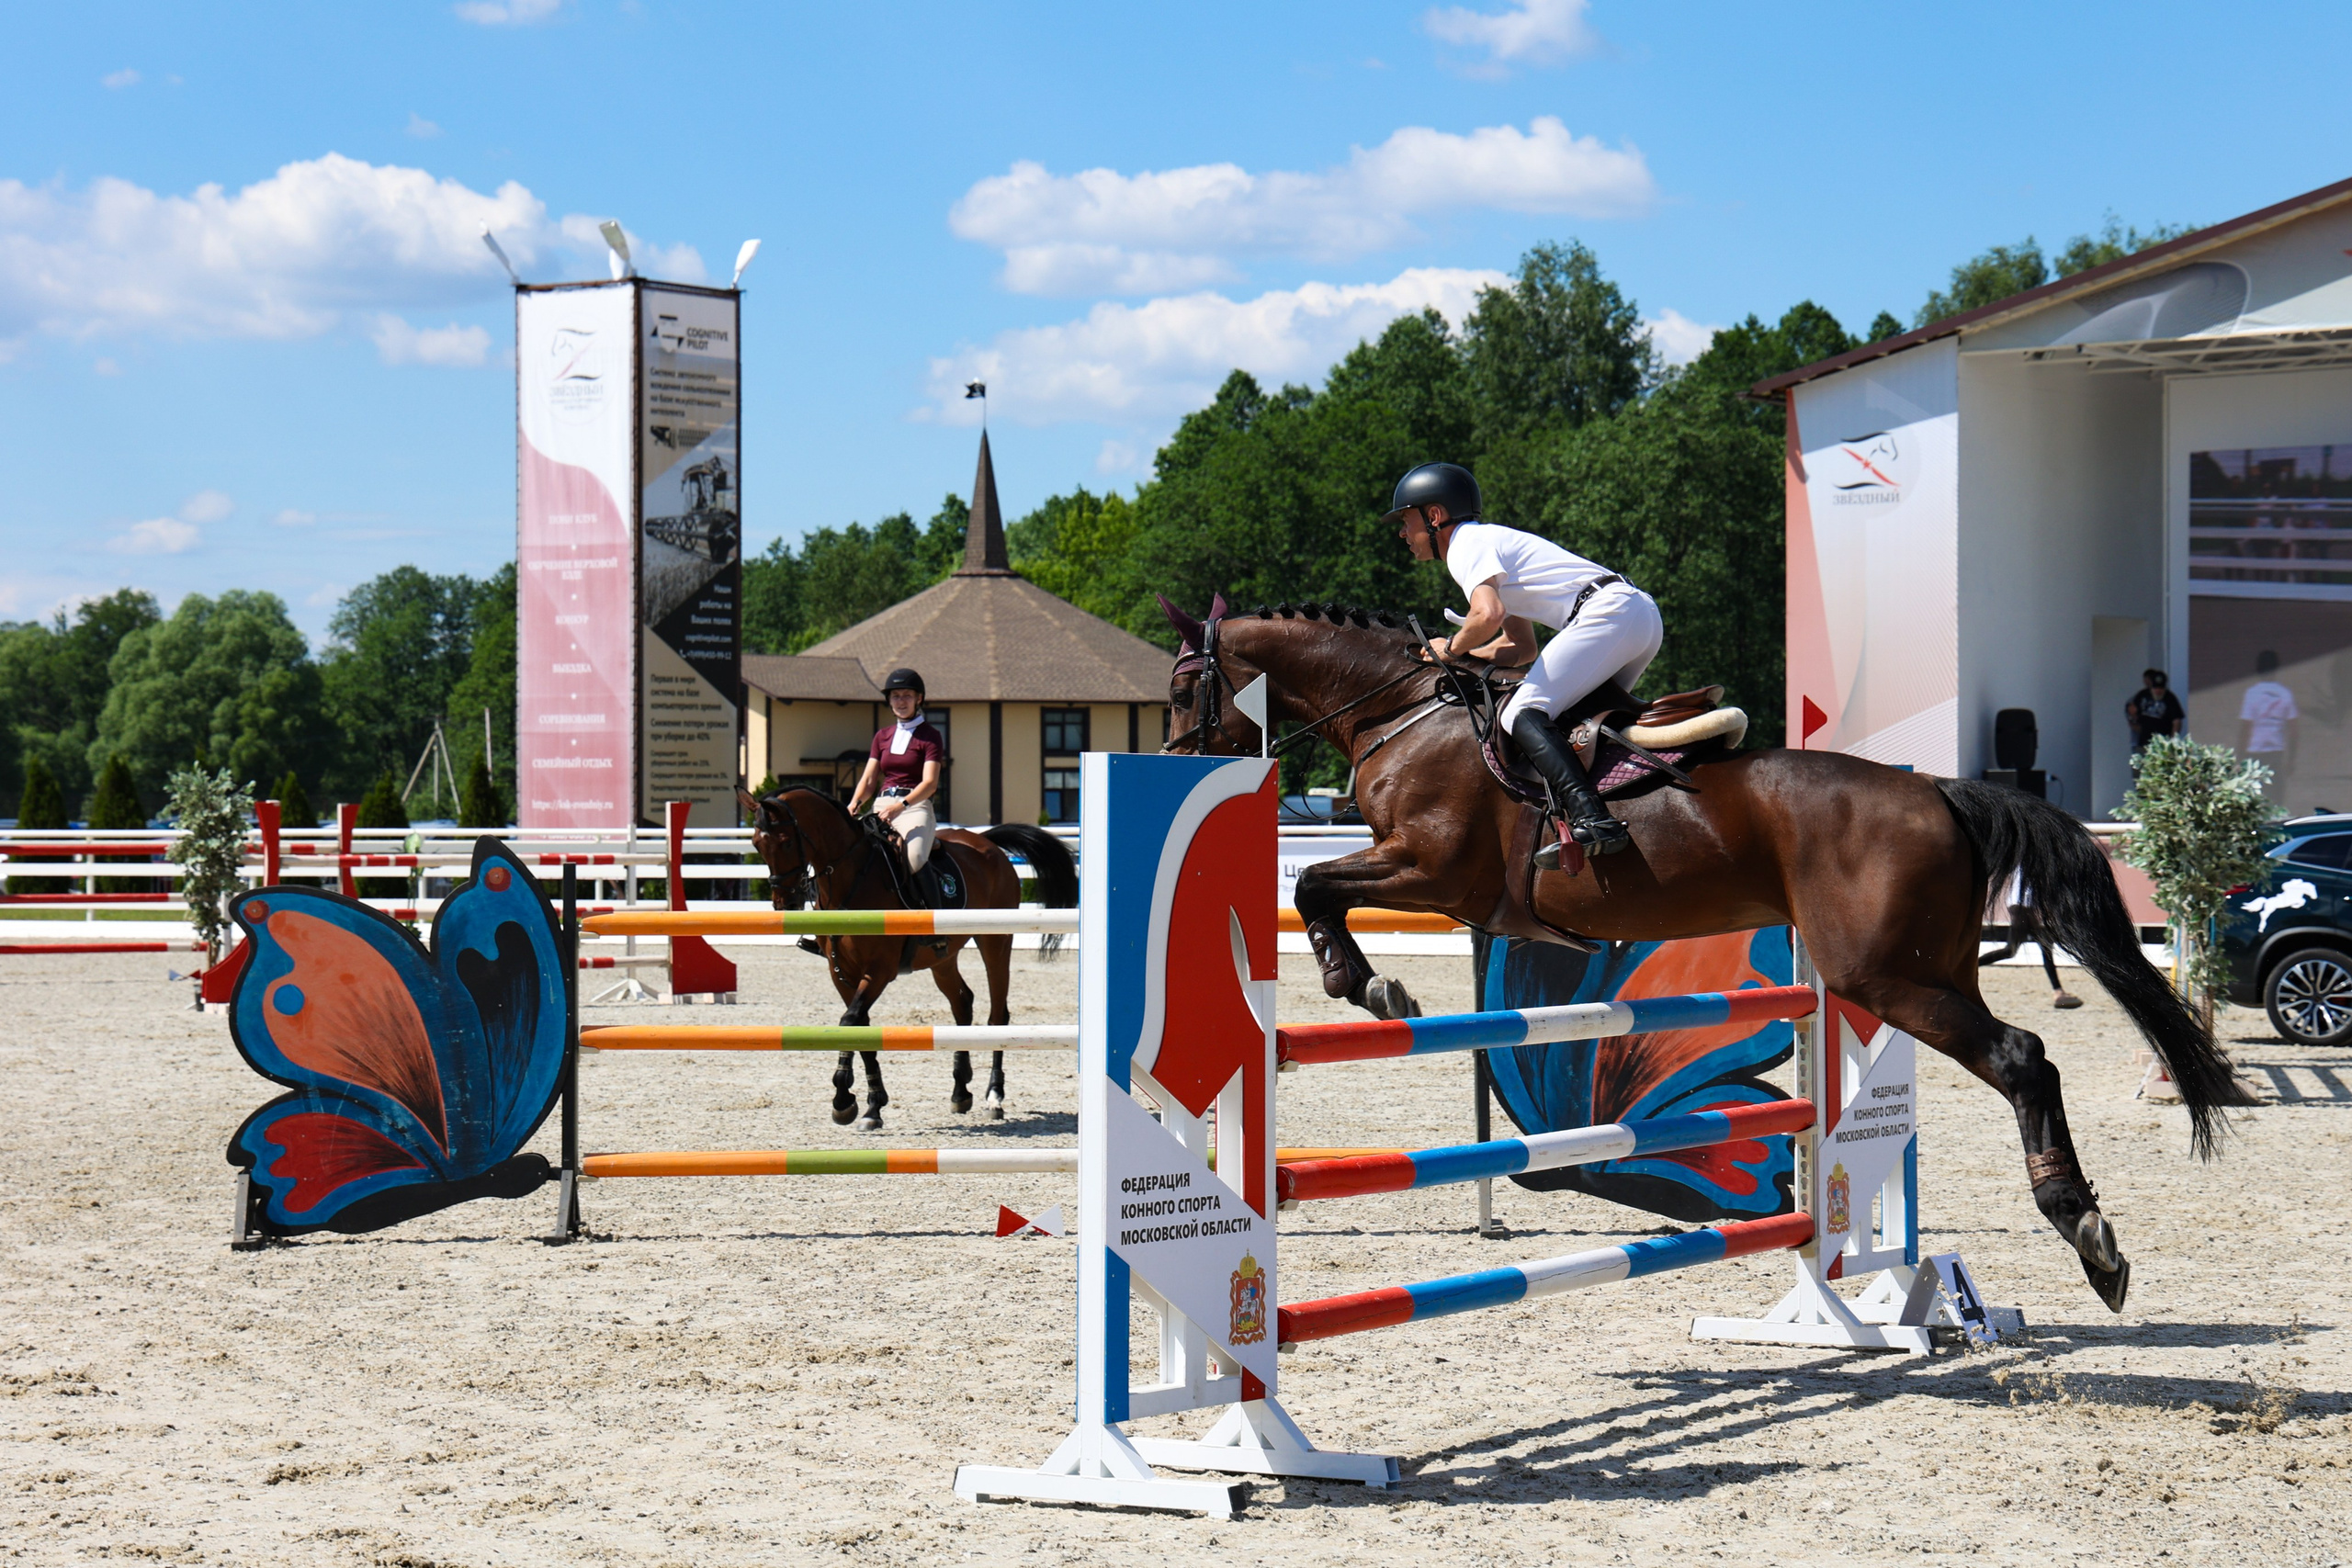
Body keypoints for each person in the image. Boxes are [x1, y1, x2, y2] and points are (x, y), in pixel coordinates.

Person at [1387, 461, 1662, 864]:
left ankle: (1594, 819)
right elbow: (1519, 648)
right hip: (1636, 616)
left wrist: (1452, 647)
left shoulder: (1464, 544)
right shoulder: (1485, 545)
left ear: (1434, 516)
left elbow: (1487, 616)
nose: (1402, 533)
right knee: (1579, 722)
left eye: (1406, 521)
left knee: (1521, 712)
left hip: (1608, 614)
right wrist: (1464, 654)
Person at [847, 667, 945, 874]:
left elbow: (930, 784)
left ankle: (926, 904)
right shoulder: (882, 736)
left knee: (914, 857)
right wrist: (854, 804)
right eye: (896, 696)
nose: (901, 702)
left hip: (914, 807)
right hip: (882, 805)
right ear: (889, 701)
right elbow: (868, 780)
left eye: (907, 696)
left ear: (919, 699)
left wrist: (899, 807)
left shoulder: (930, 736)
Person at [2240, 650, 2299, 783]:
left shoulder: (2252, 694)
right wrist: (2291, 760)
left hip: (2254, 755)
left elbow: (2246, 729)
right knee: (2276, 800)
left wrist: (2239, 758)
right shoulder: (2285, 694)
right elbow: (2294, 732)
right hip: (2276, 756)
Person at [2124, 669, 2185, 751]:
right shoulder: (2142, 695)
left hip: (2162, 746)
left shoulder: (2170, 698)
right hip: (2143, 744)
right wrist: (2134, 721)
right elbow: (2132, 714)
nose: (2158, 691)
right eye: (2155, 688)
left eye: (2161, 688)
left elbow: (2177, 721)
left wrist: (2173, 742)